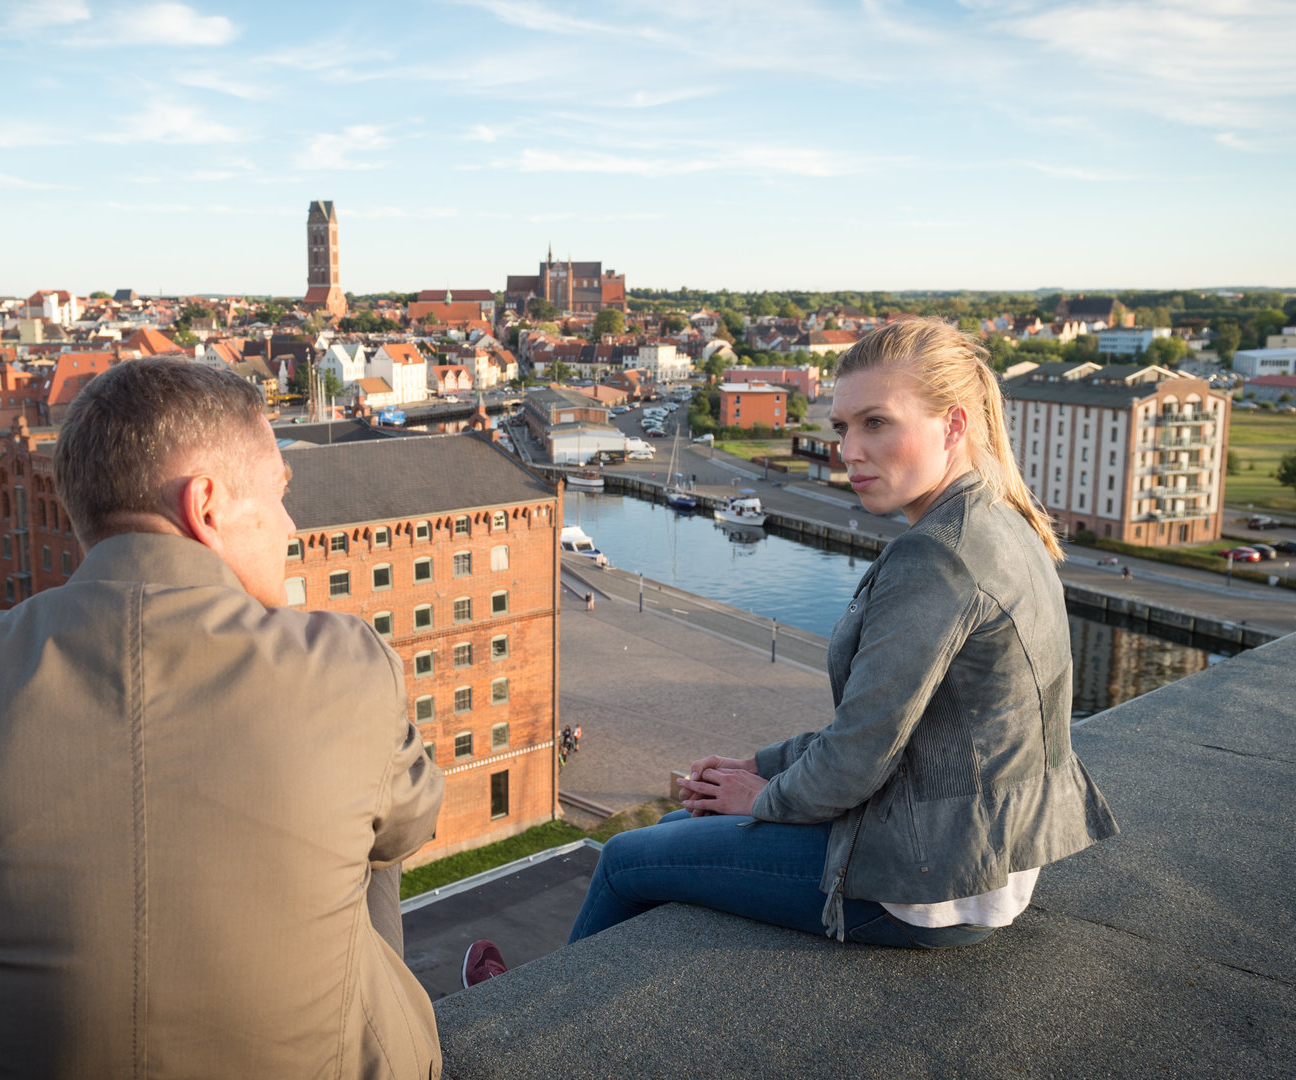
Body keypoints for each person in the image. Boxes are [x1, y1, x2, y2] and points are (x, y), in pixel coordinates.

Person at [0, 358, 446, 1078]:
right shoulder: (347, 661)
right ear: (206, 505)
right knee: (375, 822)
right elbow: (412, 826)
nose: (290, 524)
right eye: (279, 492)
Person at [463, 318, 1116, 986]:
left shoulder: (936, 559)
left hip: (927, 884)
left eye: (876, 423)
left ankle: (523, 1014)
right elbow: (903, 732)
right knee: (683, 819)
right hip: (985, 856)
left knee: (625, 859)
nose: (849, 451)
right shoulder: (1001, 522)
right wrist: (757, 765)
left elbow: (857, 757)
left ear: (952, 426)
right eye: (842, 427)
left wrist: (763, 796)